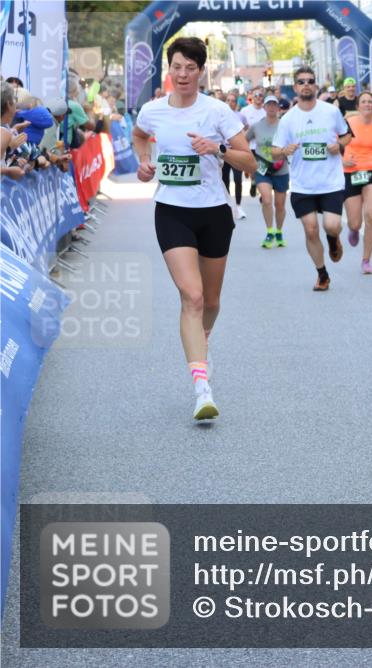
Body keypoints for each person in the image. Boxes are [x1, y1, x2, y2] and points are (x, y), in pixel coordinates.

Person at [131, 37, 256, 420]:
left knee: (212, 302)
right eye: (177, 67)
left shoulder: (217, 111)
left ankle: (202, 342)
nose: (182, 75)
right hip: (171, 211)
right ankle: (202, 388)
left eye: (190, 68)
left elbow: (249, 163)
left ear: (201, 71)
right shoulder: (152, 111)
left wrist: (216, 150)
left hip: (214, 211)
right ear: (168, 70)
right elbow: (139, 136)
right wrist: (145, 162)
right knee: (193, 296)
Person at [272, 66, 353, 291]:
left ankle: (333, 239)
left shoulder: (330, 111)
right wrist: (284, 150)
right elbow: (274, 151)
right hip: (302, 184)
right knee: (310, 230)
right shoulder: (288, 119)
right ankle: (322, 273)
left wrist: (339, 145)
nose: (306, 84)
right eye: (301, 81)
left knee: (331, 225)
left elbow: (347, 136)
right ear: (296, 87)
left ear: (316, 85)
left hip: (330, 181)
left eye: (310, 81)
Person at [342, 90, 372, 274]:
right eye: (364, 102)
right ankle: (353, 230)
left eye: (370, 102)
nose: (368, 104)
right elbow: (333, 145)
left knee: (371, 215)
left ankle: (366, 259)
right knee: (355, 222)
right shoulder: (348, 124)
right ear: (358, 106)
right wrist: (342, 161)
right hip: (351, 172)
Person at [246, 95, 289, 249]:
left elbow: (293, 143)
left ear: (278, 108)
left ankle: (279, 231)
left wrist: (286, 153)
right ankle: (269, 231)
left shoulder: (285, 125)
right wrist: (250, 159)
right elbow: (244, 141)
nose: (271, 108)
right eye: (268, 105)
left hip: (281, 168)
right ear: (264, 107)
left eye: (274, 105)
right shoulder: (256, 126)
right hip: (262, 168)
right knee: (266, 200)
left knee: (280, 205)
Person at [222, 92, 249, 219]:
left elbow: (247, 128)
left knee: (238, 180)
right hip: (224, 152)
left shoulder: (240, 116)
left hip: (236, 151)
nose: (230, 102)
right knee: (225, 179)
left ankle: (238, 206)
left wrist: (244, 140)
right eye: (228, 100)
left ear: (236, 103)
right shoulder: (221, 115)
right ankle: (228, 205)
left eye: (233, 100)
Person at [241, 87, 267, 198]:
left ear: (263, 98)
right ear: (252, 96)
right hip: (250, 145)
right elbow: (240, 128)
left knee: (262, 170)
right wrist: (249, 133)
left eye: (260, 95)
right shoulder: (245, 111)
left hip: (263, 146)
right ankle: (253, 183)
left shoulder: (266, 111)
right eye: (256, 95)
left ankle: (263, 192)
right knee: (252, 168)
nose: (258, 98)